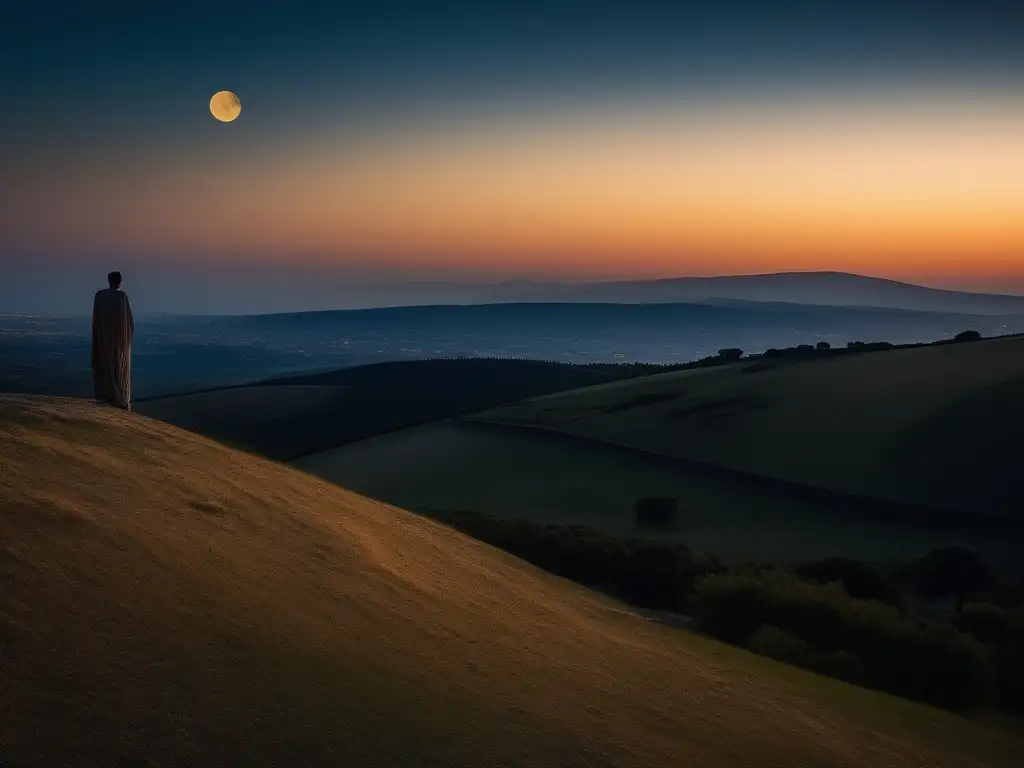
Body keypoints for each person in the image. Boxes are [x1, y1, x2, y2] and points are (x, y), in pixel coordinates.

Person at [91, 271, 135, 410]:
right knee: (118, 367)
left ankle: (106, 396)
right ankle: (119, 397)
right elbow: (129, 323)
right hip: (119, 342)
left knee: (105, 366)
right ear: (120, 281)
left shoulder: (100, 296)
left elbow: (95, 321)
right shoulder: (122, 297)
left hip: (103, 339)